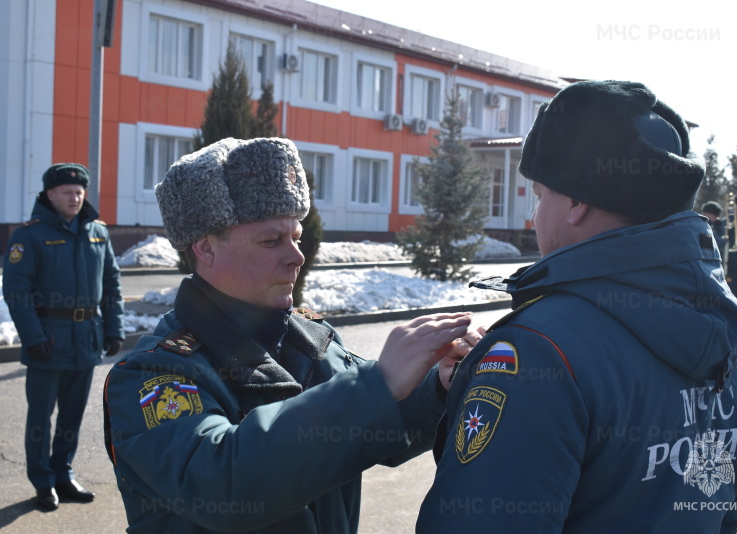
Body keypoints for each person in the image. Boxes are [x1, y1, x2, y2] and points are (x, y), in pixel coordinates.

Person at [417, 81, 737, 532]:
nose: (533, 217)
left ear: (576, 201)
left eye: (539, 196)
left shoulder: (537, 353)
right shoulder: (730, 341)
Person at [102, 137, 479, 533]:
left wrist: (438, 384)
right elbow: (223, 485)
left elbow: (374, 424)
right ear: (206, 249)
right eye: (271, 240)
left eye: (296, 237)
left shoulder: (309, 338)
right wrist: (378, 384)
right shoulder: (154, 373)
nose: (297, 256)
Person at [2, 163, 125, 511]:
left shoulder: (97, 232)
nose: (75, 198)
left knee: (72, 415)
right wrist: (32, 337)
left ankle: (63, 474)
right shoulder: (29, 236)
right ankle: (42, 482)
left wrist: (114, 329)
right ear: (50, 194)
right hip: (48, 340)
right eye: (67, 192)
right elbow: (17, 291)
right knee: (41, 417)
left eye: (79, 192)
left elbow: (112, 286)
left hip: (86, 337)